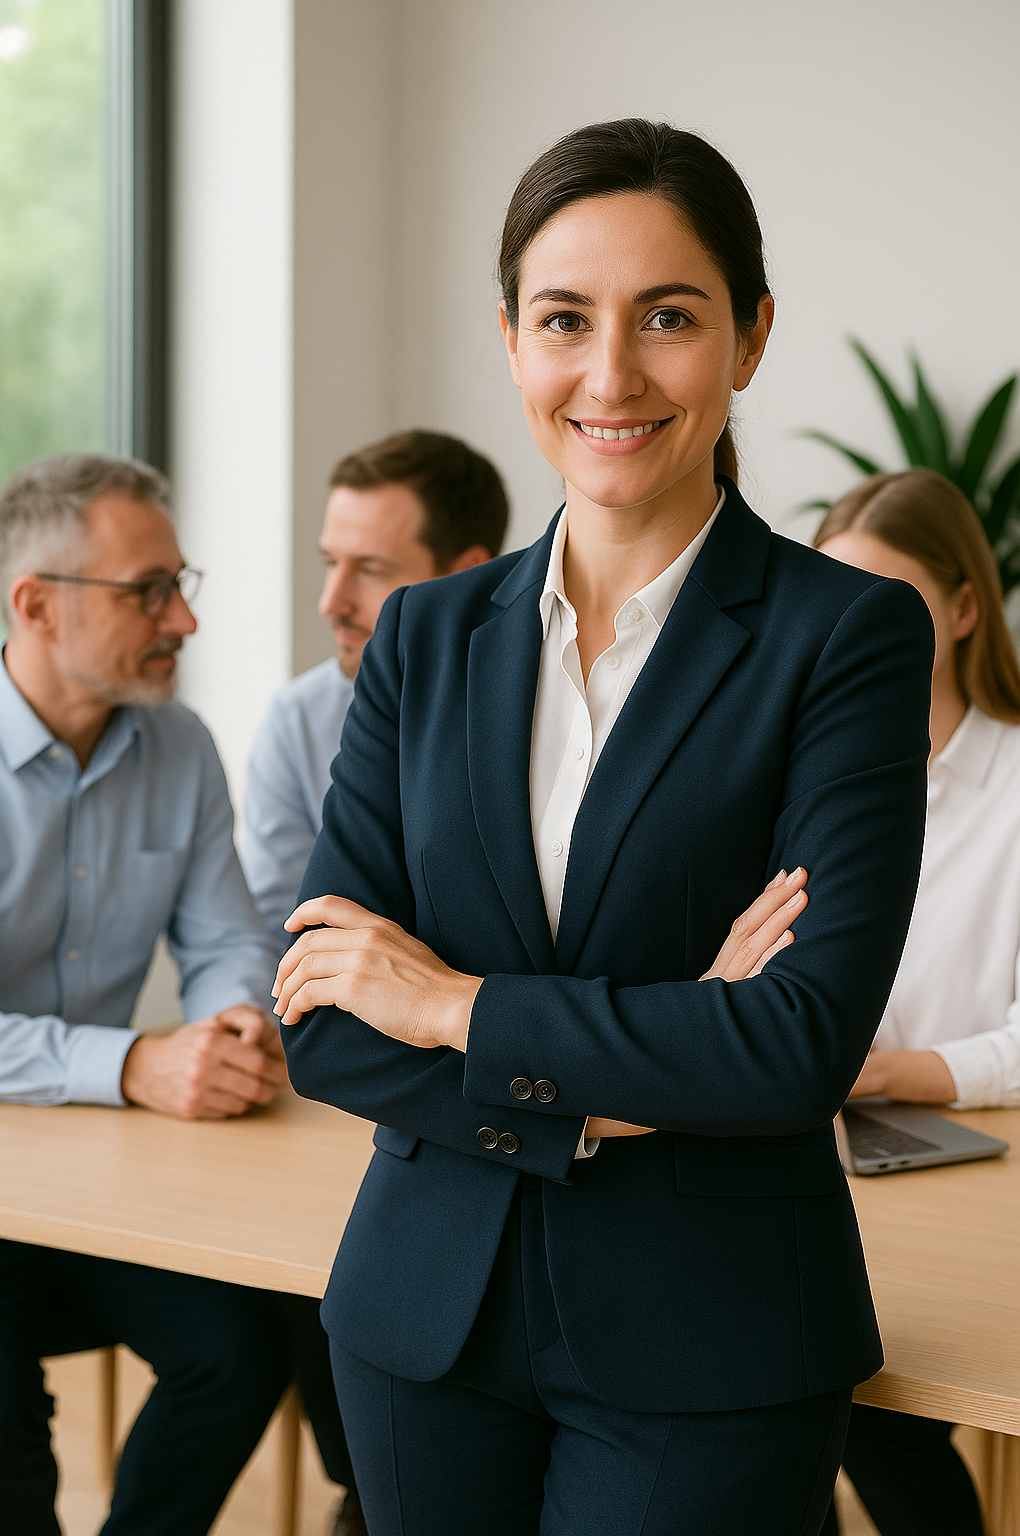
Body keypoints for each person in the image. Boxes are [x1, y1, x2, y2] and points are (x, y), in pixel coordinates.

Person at [274, 120, 935, 1536]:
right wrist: (654, 1055)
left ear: (751, 337)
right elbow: (323, 1019)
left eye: (671, 318)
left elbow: (797, 1045)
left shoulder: (846, 638)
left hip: (711, 1338)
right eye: (566, 319)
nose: (613, 374)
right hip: (419, 1324)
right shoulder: (424, 638)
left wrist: (452, 1005)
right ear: (512, 340)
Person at [0, 452, 293, 1535]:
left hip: (97, 1184)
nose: (184, 620)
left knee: (245, 1351)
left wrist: (230, 1019)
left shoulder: (182, 746)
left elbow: (226, 938)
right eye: (147, 593)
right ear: (35, 605)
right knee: (6, 1452)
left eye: (182, 584)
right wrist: (129, 1063)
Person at [814, 466, 1020, 1536]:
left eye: (883, 605)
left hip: (969, 1180)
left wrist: (889, 1072)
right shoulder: (794, 785)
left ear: (961, 607)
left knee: (865, 1397)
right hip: (821, 1155)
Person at [243, 430, 508, 955]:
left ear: (466, 573)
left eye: (369, 570)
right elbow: (281, 926)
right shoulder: (298, 717)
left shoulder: (544, 705)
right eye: (330, 563)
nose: (330, 601)